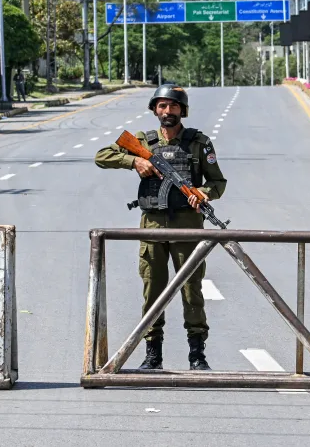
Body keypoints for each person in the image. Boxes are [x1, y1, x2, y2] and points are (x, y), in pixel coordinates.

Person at [94, 85, 226, 371]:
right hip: (152, 224)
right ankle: (153, 353)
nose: (167, 112)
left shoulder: (198, 143)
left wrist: (204, 193)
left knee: (191, 289)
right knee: (152, 289)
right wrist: (134, 160)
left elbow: (218, 182)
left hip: (188, 225)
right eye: (162, 106)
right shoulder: (143, 141)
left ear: (183, 110)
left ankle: (197, 353)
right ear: (154, 109)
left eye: (173, 106)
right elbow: (102, 156)